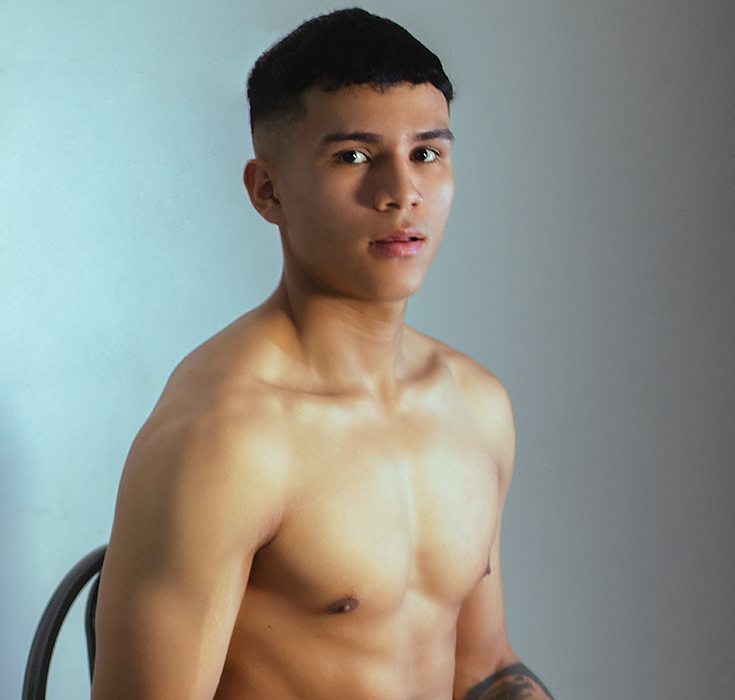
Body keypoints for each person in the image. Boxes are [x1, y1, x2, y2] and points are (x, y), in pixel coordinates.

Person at [91, 7, 553, 700]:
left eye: (426, 154)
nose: (401, 194)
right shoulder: (225, 437)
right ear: (267, 190)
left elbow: (483, 671)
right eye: (353, 157)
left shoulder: (475, 404)